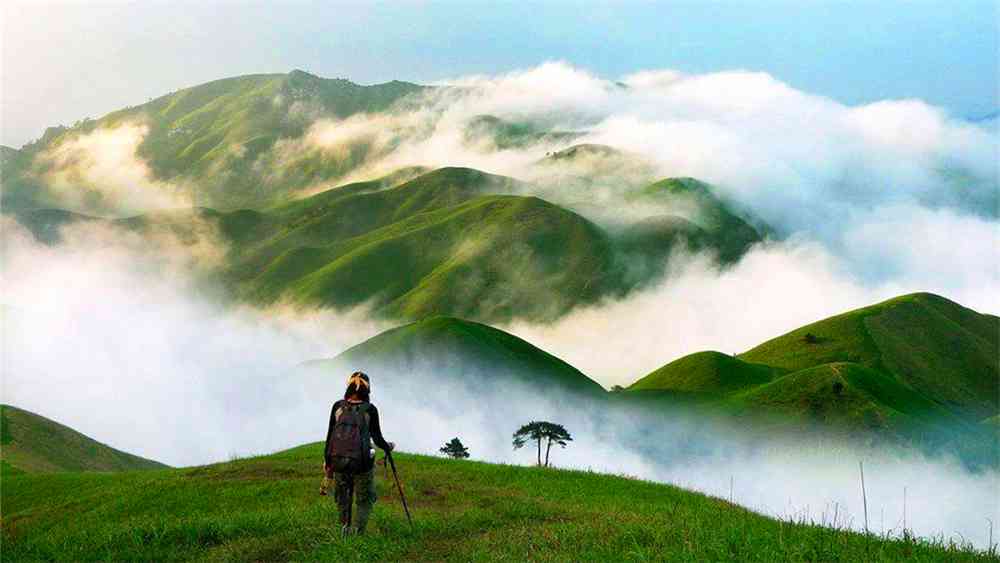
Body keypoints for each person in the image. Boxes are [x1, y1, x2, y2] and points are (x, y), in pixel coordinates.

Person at [323, 371, 395, 536]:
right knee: (364, 499)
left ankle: (344, 530)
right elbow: (377, 439)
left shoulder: (338, 406)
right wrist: (388, 447)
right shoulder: (370, 410)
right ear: (367, 390)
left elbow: (330, 436)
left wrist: (328, 463)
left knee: (342, 498)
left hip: (338, 461)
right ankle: (358, 532)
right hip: (362, 463)